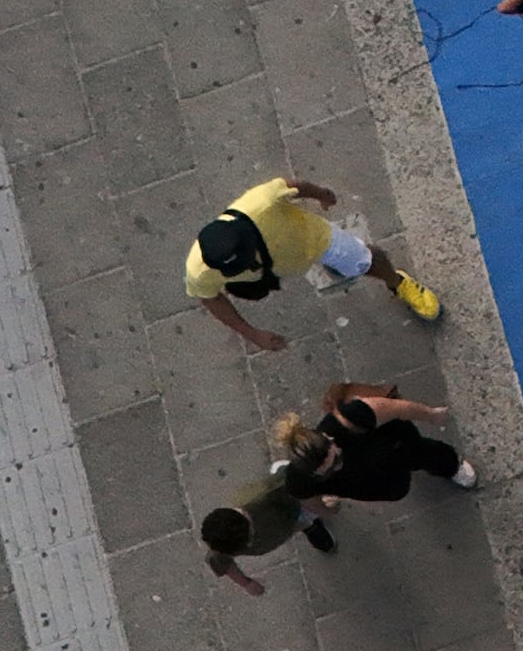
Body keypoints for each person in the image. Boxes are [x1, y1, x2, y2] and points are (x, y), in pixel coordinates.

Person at [187, 172, 442, 351]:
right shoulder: (199, 272)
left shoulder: (261, 204)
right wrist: (253, 335)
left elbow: (293, 186)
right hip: (278, 268)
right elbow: (210, 298)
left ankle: (398, 282)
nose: (247, 264)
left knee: (365, 260)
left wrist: (322, 194)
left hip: (313, 239)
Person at [280, 380, 472, 506]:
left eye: (336, 458)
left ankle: (451, 466)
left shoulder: (351, 417)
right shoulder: (298, 482)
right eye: (329, 471)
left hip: (390, 442)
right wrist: (327, 506)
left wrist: (431, 415)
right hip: (368, 482)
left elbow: (398, 409)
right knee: (397, 490)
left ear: (329, 439)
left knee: (421, 452)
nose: (338, 467)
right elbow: (308, 498)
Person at [197, 460, 334, 594]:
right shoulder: (223, 543)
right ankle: (307, 526)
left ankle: (310, 525)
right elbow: (218, 560)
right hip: (285, 526)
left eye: (248, 543)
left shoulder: (267, 495)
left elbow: (300, 488)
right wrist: (247, 583)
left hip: (295, 506)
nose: (250, 545)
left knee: (311, 511)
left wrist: (323, 508)